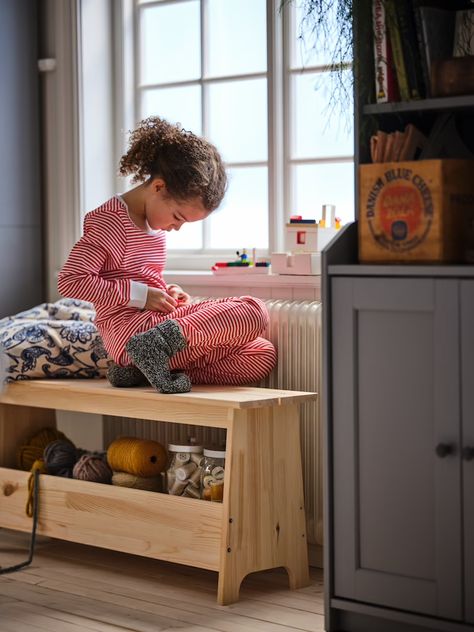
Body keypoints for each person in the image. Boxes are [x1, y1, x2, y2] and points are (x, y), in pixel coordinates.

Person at [58, 116, 277, 394]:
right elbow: (70, 280)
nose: (176, 228)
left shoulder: (153, 225)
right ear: (159, 187)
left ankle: (141, 369)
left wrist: (167, 292)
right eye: (178, 217)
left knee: (261, 354)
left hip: (153, 328)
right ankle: (148, 351)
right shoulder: (109, 221)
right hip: (129, 332)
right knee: (253, 311)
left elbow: (144, 280)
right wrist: (142, 295)